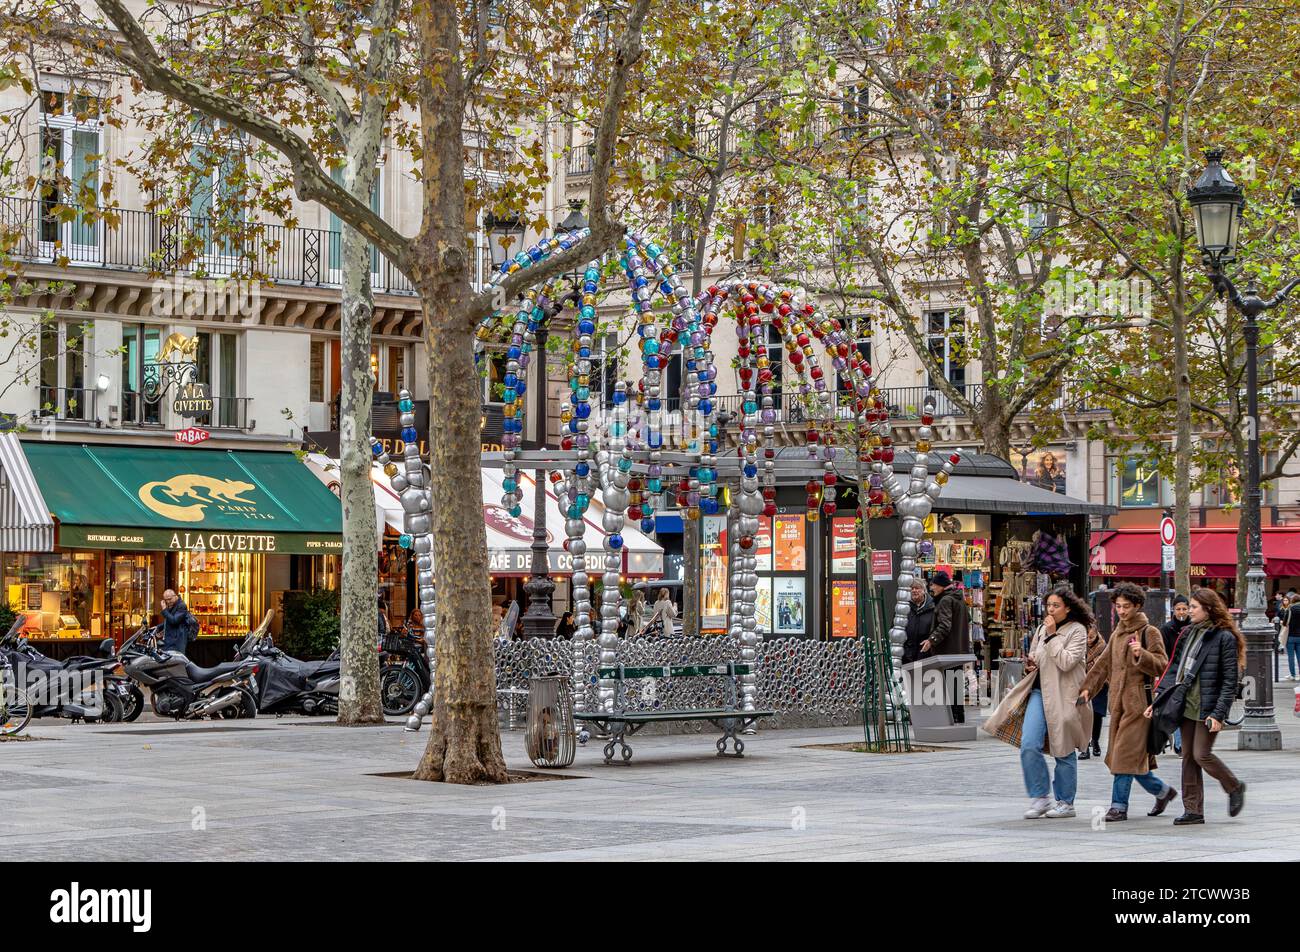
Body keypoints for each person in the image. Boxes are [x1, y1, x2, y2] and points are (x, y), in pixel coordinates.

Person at [986, 586, 1092, 819]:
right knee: (1029, 744)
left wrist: (1053, 635)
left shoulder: (1078, 631)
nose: (1051, 610)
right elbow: (1037, 654)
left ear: (1068, 608)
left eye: (1056, 605)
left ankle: (1065, 802)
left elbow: (1066, 662)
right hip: (1038, 690)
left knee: (1063, 749)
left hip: (1064, 695)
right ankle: (1040, 796)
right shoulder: (1043, 628)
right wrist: (1031, 663)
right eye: (1049, 605)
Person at [1148, 587, 1247, 826]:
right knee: (1188, 758)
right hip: (1185, 703)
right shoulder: (1187, 633)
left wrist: (1219, 713)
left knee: (1201, 754)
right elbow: (1174, 669)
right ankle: (1193, 810)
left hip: (1208, 706)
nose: (1188, 611)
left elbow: (1229, 680)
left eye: (1193, 607)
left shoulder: (1224, 637)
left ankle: (1234, 786)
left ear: (1208, 609)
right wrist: (1158, 699)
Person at [1079, 582, 1176, 821]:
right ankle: (1163, 791)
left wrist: (1140, 654)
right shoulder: (1117, 633)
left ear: (1138, 606)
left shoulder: (1149, 632)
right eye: (1118, 606)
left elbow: (1162, 665)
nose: (1121, 611)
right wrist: (1087, 689)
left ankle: (1118, 806)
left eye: (1126, 607)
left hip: (1139, 706)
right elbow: (1103, 664)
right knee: (1129, 757)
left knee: (1122, 755)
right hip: (1118, 705)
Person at [923, 571, 971, 723]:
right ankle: (959, 715)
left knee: (949, 685)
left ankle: (953, 716)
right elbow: (967, 619)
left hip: (947, 651)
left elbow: (945, 625)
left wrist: (931, 640)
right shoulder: (959, 599)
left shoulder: (945, 600)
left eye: (934, 585)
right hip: (959, 650)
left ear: (942, 586)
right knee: (955, 684)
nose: (932, 588)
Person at [1161, 594, 1192, 754]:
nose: (1181, 612)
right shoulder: (1167, 629)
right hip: (1173, 673)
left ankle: (1182, 744)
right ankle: (1180, 745)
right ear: (1173, 610)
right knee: (1175, 709)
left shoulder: (1194, 627)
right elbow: (1164, 653)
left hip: (1189, 672)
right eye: (1179, 609)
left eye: (1184, 609)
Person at [1079, 623, 1107, 760]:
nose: (1089, 640)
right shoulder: (1079, 645)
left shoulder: (1103, 647)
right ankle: (1084, 747)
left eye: (1091, 637)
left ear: (1097, 635)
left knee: (1097, 714)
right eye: (1086, 637)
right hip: (1083, 684)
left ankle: (1095, 741)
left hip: (1100, 684)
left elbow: (1106, 666)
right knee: (1084, 715)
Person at [902, 580, 935, 665]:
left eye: (917, 588)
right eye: (912, 588)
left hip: (926, 655)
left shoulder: (933, 607)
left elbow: (938, 629)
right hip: (907, 656)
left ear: (924, 591)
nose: (914, 590)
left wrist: (931, 641)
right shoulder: (904, 607)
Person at [160, 589, 192, 653]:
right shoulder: (172, 605)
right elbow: (168, 621)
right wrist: (158, 627)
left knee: (178, 660)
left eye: (170, 599)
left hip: (178, 640)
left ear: (175, 596)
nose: (168, 602)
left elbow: (174, 620)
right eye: (166, 600)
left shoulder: (181, 605)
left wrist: (164, 610)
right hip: (171, 640)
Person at [1283, 592, 1300, 681]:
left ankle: (1292, 675)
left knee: (1291, 657)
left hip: (1291, 636)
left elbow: (1285, 623)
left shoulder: (1290, 609)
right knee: (1299, 656)